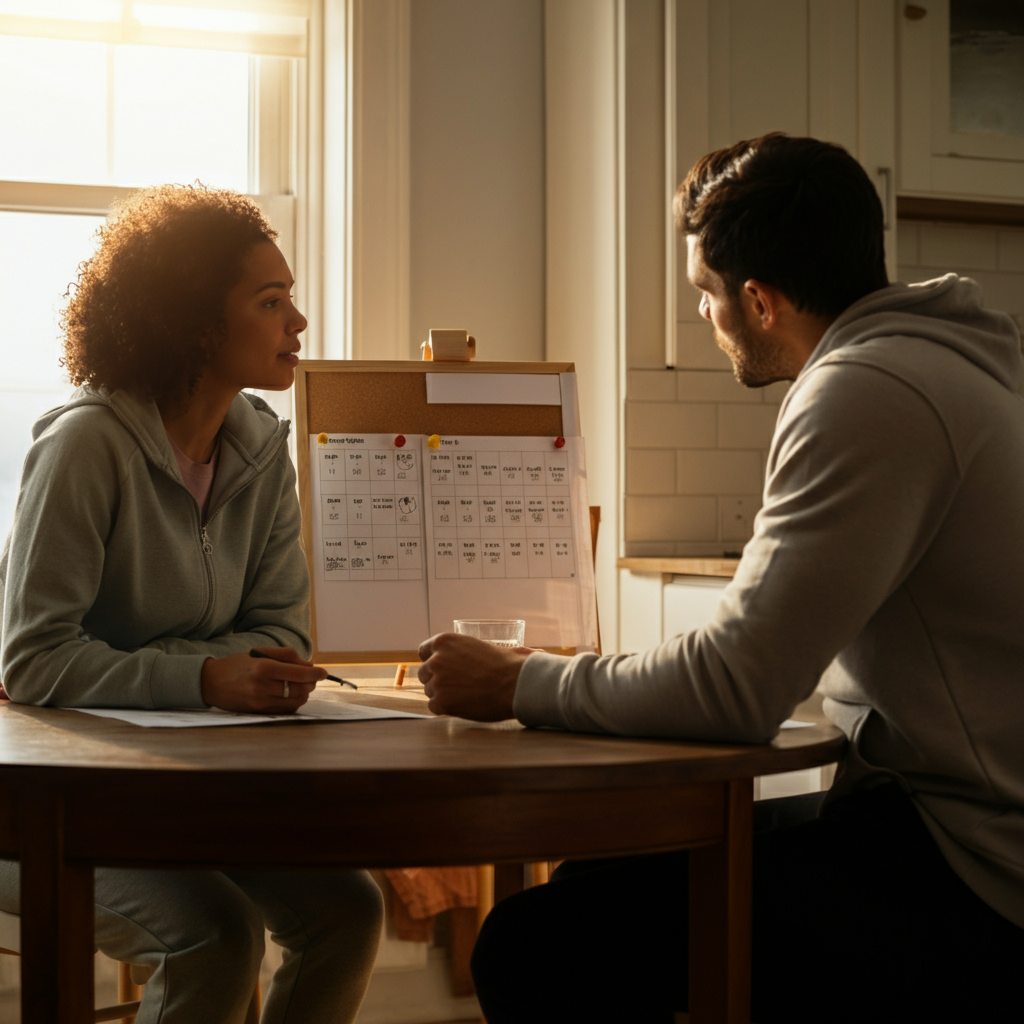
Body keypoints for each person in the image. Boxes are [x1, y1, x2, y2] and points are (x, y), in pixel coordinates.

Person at [417, 135, 1024, 1023]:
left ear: (760, 301)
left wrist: (519, 680)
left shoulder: (865, 391)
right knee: (601, 882)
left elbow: (736, 687)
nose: (704, 317)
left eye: (705, 294)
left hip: (973, 869)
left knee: (536, 943)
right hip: (950, 825)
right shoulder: (940, 363)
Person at [0, 184, 383, 1024]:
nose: (299, 324)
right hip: (40, 808)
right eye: (272, 301)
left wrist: (227, 670)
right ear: (194, 322)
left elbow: (283, 630)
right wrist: (208, 676)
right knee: (215, 936)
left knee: (351, 912)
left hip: (183, 794)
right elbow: (32, 662)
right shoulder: (84, 445)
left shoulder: (261, 448)